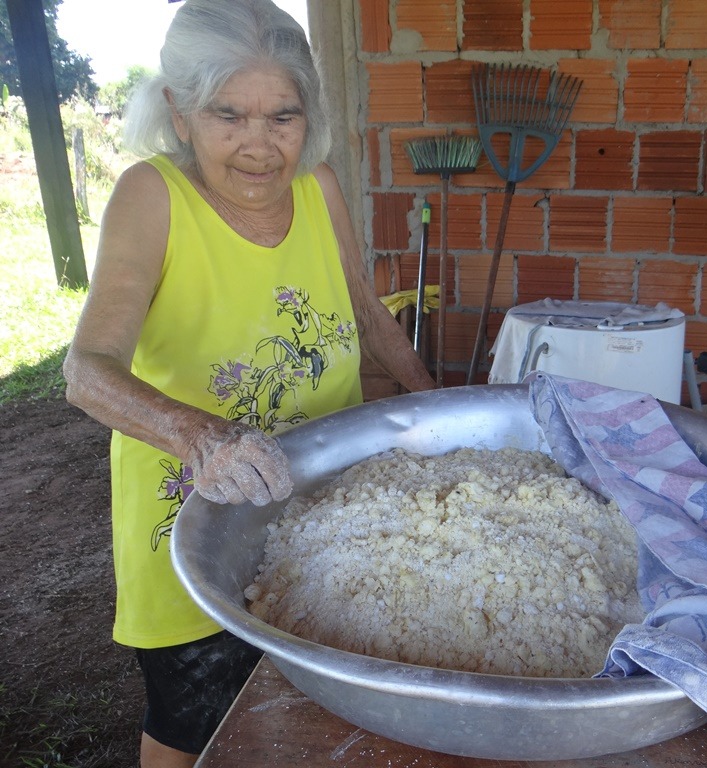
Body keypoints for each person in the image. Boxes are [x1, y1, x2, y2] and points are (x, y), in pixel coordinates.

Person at [62, 1, 435, 765]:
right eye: (228, 114)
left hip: (326, 520)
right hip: (198, 525)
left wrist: (440, 412)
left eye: (283, 117)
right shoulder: (153, 196)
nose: (260, 147)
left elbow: (368, 314)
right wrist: (204, 437)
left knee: (312, 715)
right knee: (194, 721)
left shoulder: (319, 186)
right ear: (179, 110)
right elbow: (85, 372)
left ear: (310, 115)